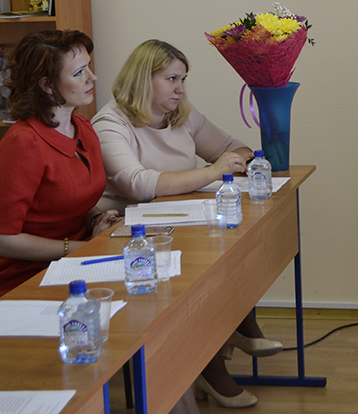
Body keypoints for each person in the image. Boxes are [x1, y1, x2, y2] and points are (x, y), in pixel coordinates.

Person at [93, 39, 281, 409]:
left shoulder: (182, 115)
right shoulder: (110, 122)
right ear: (143, 80)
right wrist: (212, 171)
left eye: (183, 79)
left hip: (179, 219)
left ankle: (233, 329)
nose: (180, 89)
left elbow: (233, 146)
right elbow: (137, 184)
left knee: (232, 246)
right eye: (171, 79)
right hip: (130, 232)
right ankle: (212, 362)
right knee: (198, 272)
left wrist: (238, 161)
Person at [0, 30, 120, 303]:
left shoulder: (83, 128)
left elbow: (69, 200)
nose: (92, 78)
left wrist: (97, 220)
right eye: (79, 73)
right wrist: (81, 248)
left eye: (88, 67)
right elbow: (3, 240)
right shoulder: (22, 144)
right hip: (24, 278)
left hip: (78, 263)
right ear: (46, 84)